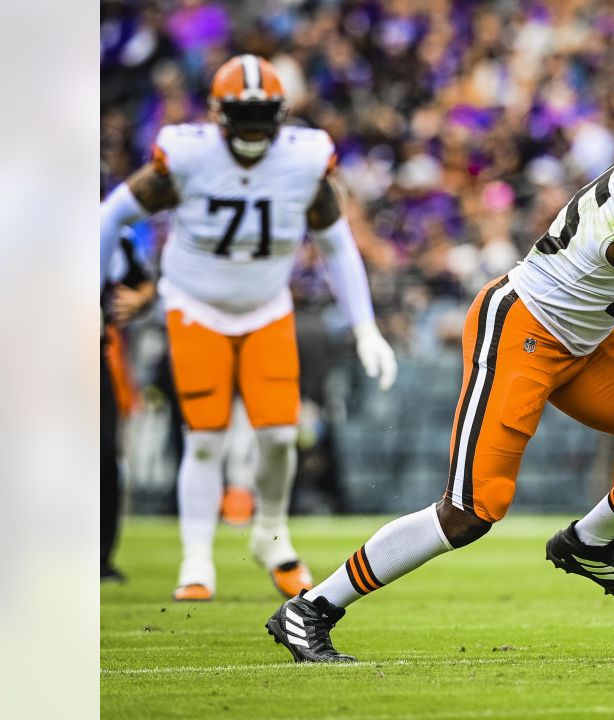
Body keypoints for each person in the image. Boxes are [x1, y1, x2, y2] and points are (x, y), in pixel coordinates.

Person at [266, 68, 614, 663]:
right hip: (523, 332)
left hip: (587, 341)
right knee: (469, 513)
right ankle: (312, 608)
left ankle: (587, 542)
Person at [99, 55, 398, 602]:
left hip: (265, 308)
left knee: (281, 437)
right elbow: (110, 215)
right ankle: (196, 560)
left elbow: (337, 247)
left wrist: (365, 328)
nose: (255, 126)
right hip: (196, 307)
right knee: (206, 438)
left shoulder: (303, 163)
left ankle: (271, 536)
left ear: (282, 113)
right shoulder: (188, 158)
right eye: (245, 113)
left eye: (263, 113)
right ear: (217, 115)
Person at [101, 227, 156, 583]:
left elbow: (145, 283)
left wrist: (137, 300)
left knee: (105, 455)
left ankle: (98, 559)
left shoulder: (109, 231)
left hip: (92, 352)